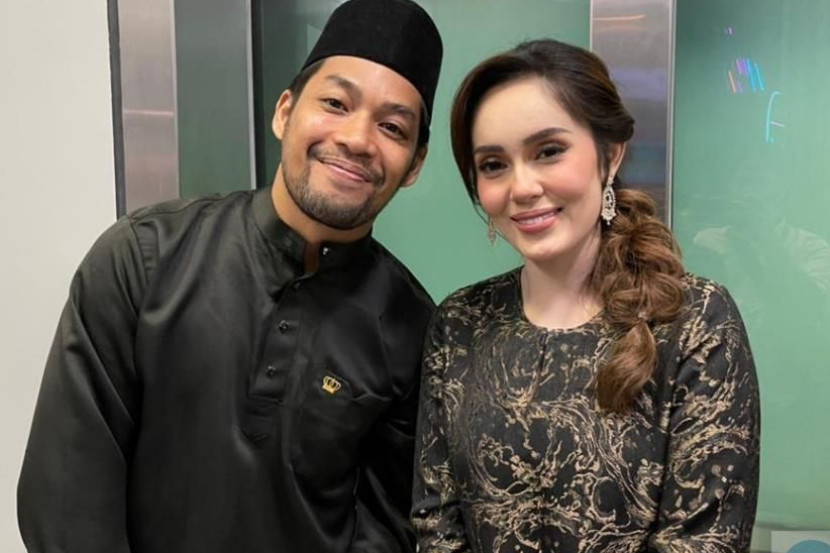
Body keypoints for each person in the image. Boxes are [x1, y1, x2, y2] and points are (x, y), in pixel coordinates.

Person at [18, 1, 442, 552]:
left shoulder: (414, 331)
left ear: (413, 165)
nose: (358, 138)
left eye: (392, 127)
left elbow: (388, 530)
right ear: (284, 112)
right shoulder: (144, 259)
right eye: (336, 103)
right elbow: (67, 497)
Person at [412, 39, 760, 553]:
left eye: (548, 151)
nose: (522, 187)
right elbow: (436, 525)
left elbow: (705, 540)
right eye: (493, 164)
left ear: (610, 155)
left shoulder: (694, 320)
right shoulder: (461, 323)